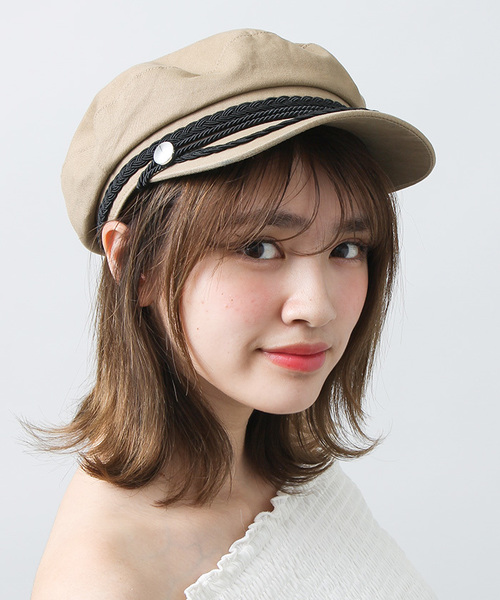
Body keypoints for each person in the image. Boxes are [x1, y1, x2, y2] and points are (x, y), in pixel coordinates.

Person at [31, 29, 437, 599]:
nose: (316, 306)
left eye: (347, 248)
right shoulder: (107, 582)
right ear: (137, 264)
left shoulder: (283, 470)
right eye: (258, 248)